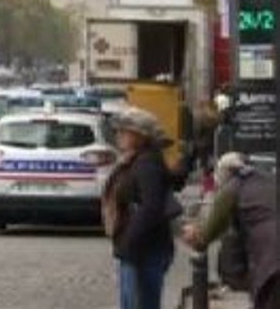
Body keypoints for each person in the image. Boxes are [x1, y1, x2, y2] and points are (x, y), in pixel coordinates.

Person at [182, 152, 280, 309]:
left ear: (223, 173)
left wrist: (192, 232)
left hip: (271, 264)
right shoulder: (269, 180)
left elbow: (204, 237)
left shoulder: (231, 189)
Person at [101, 107, 176, 309]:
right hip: (139, 247)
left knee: (139, 304)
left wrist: (128, 242)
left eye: (124, 131)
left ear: (140, 136)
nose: (119, 135)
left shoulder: (147, 164)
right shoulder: (134, 160)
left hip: (144, 249)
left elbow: (150, 207)